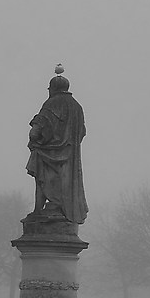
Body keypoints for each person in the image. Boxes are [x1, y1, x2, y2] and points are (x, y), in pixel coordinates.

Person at [26, 69, 87, 225]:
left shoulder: (51, 103)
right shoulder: (77, 107)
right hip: (69, 156)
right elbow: (82, 132)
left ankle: (39, 208)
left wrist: (38, 139)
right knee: (64, 182)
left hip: (48, 153)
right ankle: (60, 207)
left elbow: (35, 131)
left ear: (52, 88)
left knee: (42, 179)